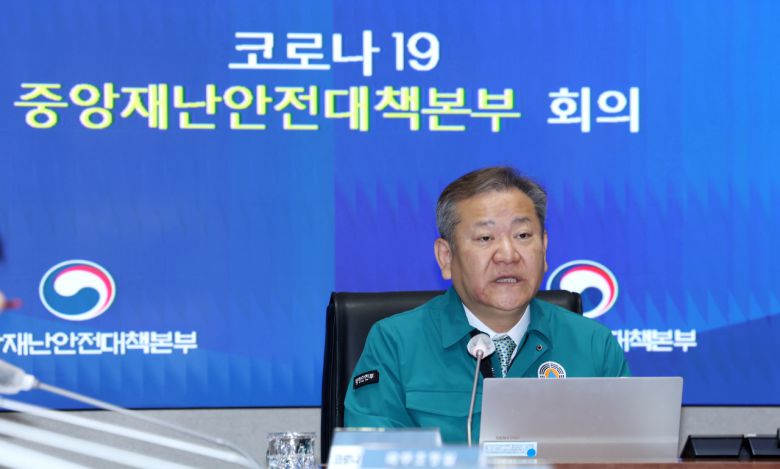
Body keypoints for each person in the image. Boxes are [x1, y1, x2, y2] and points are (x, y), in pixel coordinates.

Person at [343, 166, 630, 443]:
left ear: (544, 248)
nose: (508, 255)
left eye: (522, 235)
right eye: (485, 238)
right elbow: (373, 457)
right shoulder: (395, 344)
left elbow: (629, 456)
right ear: (446, 257)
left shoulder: (594, 346)